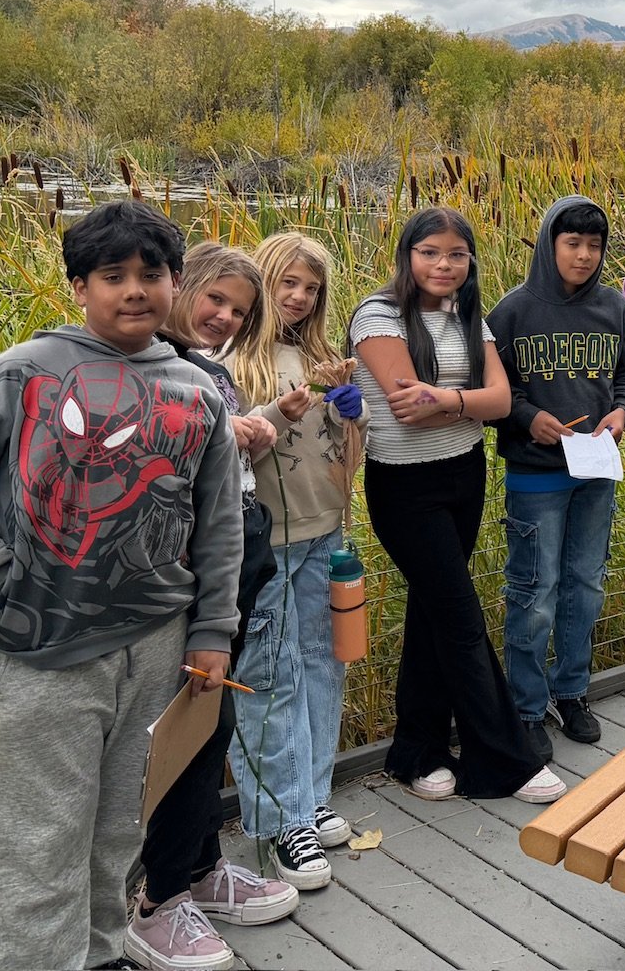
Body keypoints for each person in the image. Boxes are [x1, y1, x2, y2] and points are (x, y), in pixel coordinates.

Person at [0, 201, 243, 971]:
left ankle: (100, 954)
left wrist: (212, 632)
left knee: (119, 828)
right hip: (42, 650)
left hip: (159, 648)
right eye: (111, 275)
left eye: (149, 273)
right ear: (78, 287)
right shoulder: (21, 373)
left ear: (175, 282)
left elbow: (218, 525)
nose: (133, 290)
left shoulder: (197, 393)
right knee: (40, 838)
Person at [122, 243, 299, 968]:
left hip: (235, 551)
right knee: (192, 721)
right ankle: (158, 898)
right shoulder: (158, 368)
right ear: (180, 287)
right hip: (189, 566)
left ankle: (196, 868)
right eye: (215, 300)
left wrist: (256, 422)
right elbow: (162, 457)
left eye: (239, 311)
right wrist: (235, 432)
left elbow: (216, 450)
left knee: (214, 719)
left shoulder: (208, 369)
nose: (224, 318)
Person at [352, 206, 565, 806]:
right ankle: (504, 761)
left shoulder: (471, 316)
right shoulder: (378, 314)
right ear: (407, 255)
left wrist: (448, 398)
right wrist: (468, 400)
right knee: (463, 619)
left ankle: (416, 752)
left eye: (455, 254)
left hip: (463, 475)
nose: (443, 265)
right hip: (404, 485)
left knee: (434, 613)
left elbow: (502, 403)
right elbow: (404, 406)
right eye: (430, 253)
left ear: (470, 261)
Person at [227, 231, 368, 887]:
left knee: (321, 664)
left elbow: (346, 456)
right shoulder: (233, 363)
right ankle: (278, 817)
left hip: (323, 532)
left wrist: (351, 411)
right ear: (264, 281)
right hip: (266, 546)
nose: (299, 297)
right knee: (268, 675)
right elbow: (231, 454)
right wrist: (278, 414)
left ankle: (311, 795)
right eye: (288, 284)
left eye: (311, 289)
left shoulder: (324, 355)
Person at [488, 196, 625, 763]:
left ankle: (570, 690)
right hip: (535, 476)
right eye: (572, 243)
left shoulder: (614, 309)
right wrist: (529, 418)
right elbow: (496, 390)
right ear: (549, 243)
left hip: (595, 469)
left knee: (586, 583)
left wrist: (622, 411)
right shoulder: (512, 313)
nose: (583, 255)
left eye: (594, 246)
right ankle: (526, 706)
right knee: (534, 590)